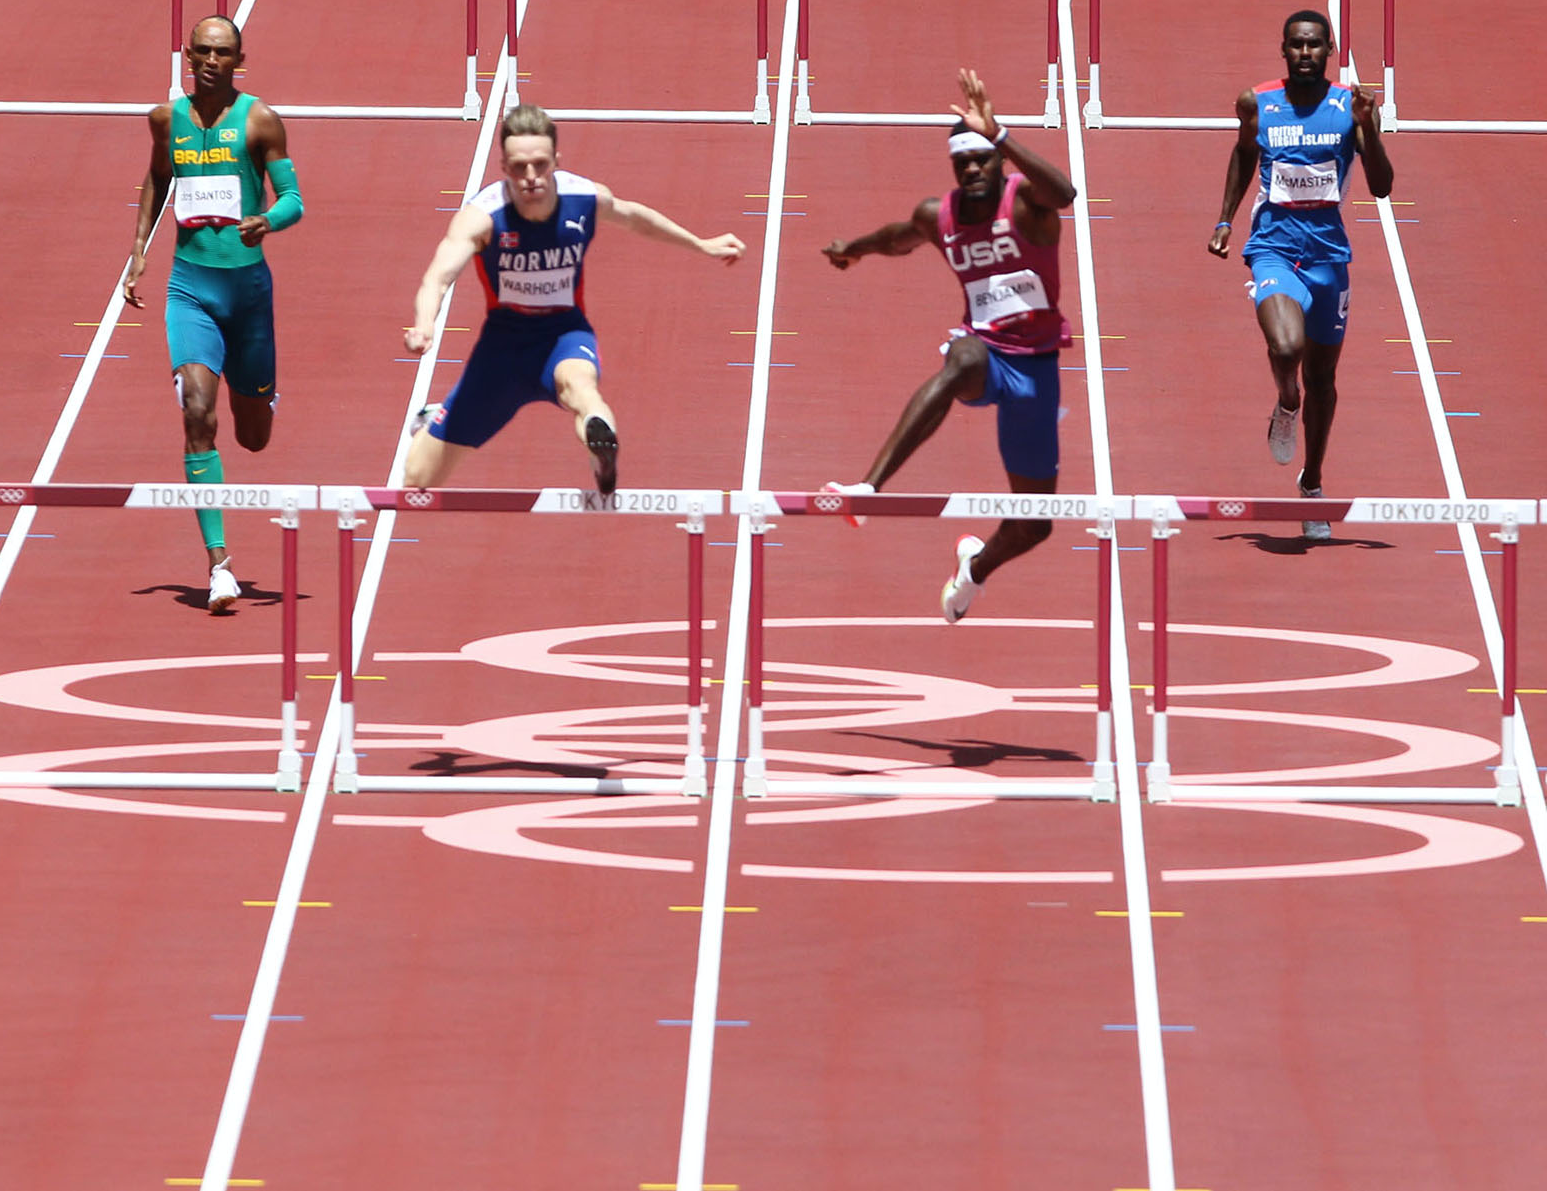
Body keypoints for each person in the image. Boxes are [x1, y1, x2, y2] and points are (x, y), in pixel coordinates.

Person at [821, 68, 1076, 623]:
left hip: (1036, 369)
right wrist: (854, 249)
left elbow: (1066, 193)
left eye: (983, 159)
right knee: (962, 358)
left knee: (1035, 523)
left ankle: (974, 569)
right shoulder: (940, 216)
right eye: (964, 164)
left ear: (999, 162)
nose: (974, 170)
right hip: (986, 355)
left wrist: (1000, 133)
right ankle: (868, 490)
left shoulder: (1026, 204)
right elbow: (897, 238)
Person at [403, 104, 746, 495]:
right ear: (503, 167)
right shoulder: (483, 217)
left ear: (556, 161)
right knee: (417, 483)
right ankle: (438, 418)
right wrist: (424, 324)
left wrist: (701, 244)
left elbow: (635, 218)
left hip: (564, 336)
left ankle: (602, 451)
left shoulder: (583, 197)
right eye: (519, 167)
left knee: (581, 389)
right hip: (501, 352)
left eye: (540, 164)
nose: (530, 177)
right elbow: (438, 277)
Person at [124, 14, 304, 611]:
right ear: (187, 54)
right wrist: (138, 251)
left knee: (252, 438)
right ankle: (219, 565)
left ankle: (261, 398)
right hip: (190, 289)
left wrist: (266, 220)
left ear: (238, 60)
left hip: (248, 296)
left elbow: (294, 199)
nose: (209, 61)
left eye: (221, 53)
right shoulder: (164, 120)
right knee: (197, 412)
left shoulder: (260, 120)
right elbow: (158, 179)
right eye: (200, 50)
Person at [1208, 9, 1392, 540]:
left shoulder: (1351, 106)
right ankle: (1287, 402)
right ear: (1284, 50)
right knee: (1286, 348)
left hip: (1328, 257)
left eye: (1314, 45)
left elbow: (1382, 185)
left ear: (1329, 51)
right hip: (1273, 249)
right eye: (1296, 45)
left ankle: (1312, 483)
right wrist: (1225, 219)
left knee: (1324, 381)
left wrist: (1368, 128)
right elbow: (1244, 155)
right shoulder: (1258, 102)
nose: (1305, 53)